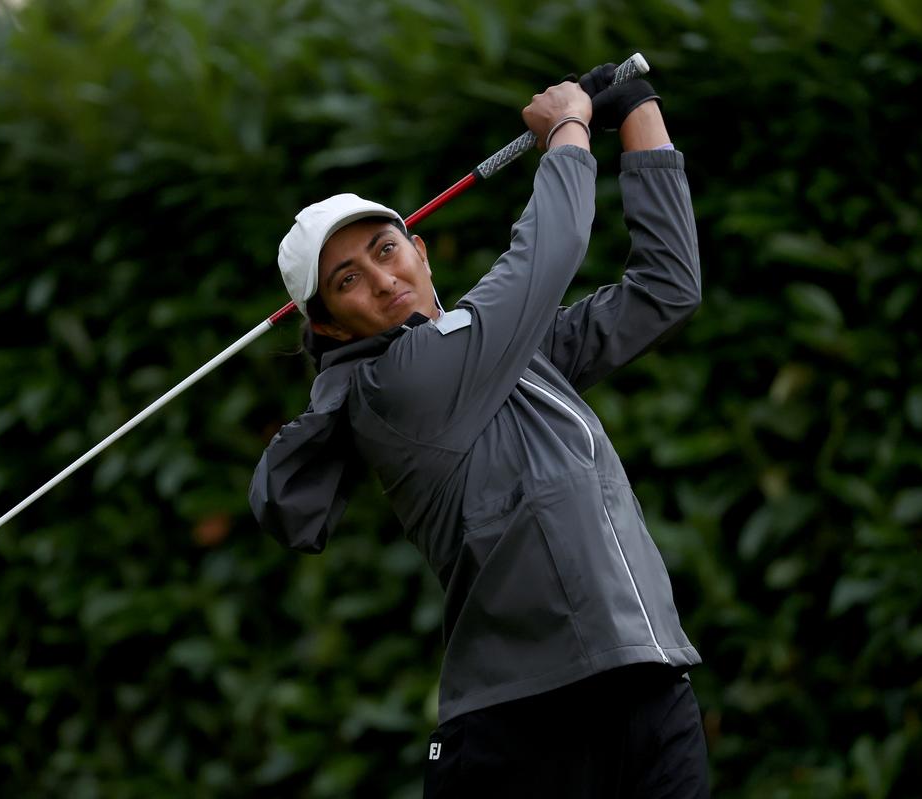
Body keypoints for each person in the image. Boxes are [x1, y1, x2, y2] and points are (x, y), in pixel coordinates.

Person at [250, 64, 708, 798]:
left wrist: (639, 110)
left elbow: (667, 288)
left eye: (386, 247)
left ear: (421, 252)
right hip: (523, 727)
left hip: (648, 689)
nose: (380, 277)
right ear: (331, 326)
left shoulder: (509, 351)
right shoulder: (393, 387)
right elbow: (547, 253)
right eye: (346, 280)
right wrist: (567, 127)